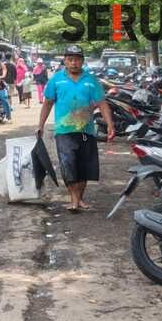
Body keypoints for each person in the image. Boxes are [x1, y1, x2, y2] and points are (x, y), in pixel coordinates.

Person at [37, 45, 115, 212]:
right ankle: (74, 199)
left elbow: (102, 103)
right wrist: (40, 125)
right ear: (65, 61)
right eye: (70, 59)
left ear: (82, 61)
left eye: (77, 59)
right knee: (68, 164)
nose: (74, 63)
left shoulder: (91, 80)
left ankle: (79, 199)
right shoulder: (56, 79)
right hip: (64, 130)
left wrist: (110, 124)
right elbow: (48, 103)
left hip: (86, 130)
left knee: (84, 166)